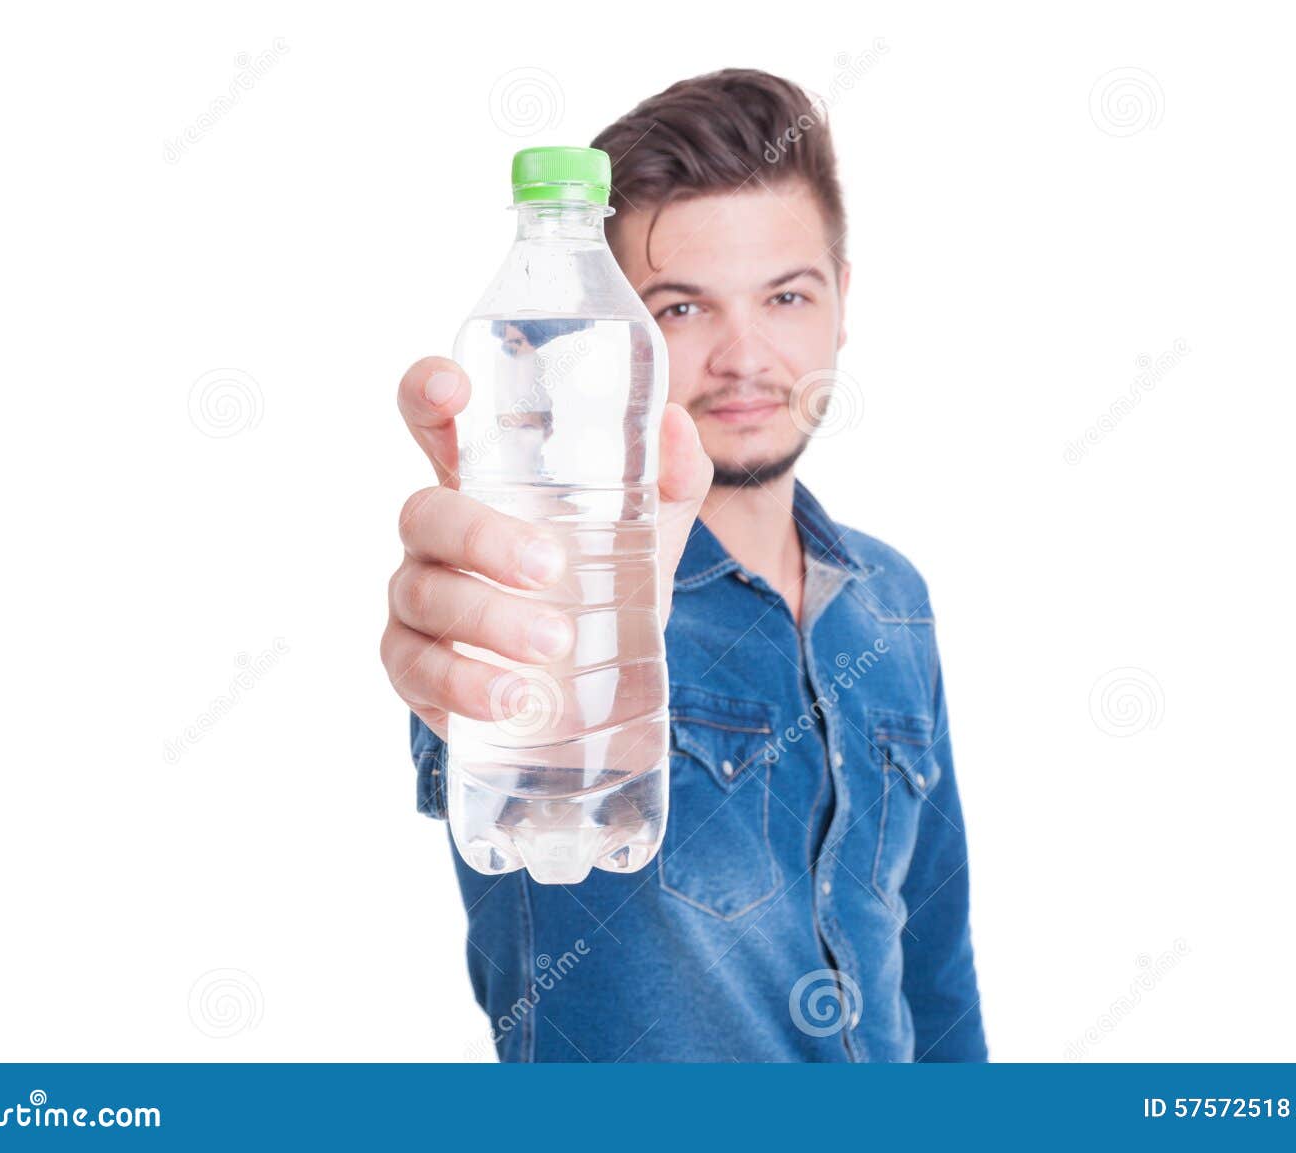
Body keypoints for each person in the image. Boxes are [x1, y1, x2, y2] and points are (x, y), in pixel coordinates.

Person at [381, 68, 986, 1062]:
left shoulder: (891, 602)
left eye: (786, 295)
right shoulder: (558, 595)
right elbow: (514, 765)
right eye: (680, 310)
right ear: (606, 344)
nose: (745, 356)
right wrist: (512, 648)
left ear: (842, 304)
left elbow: (935, 973)